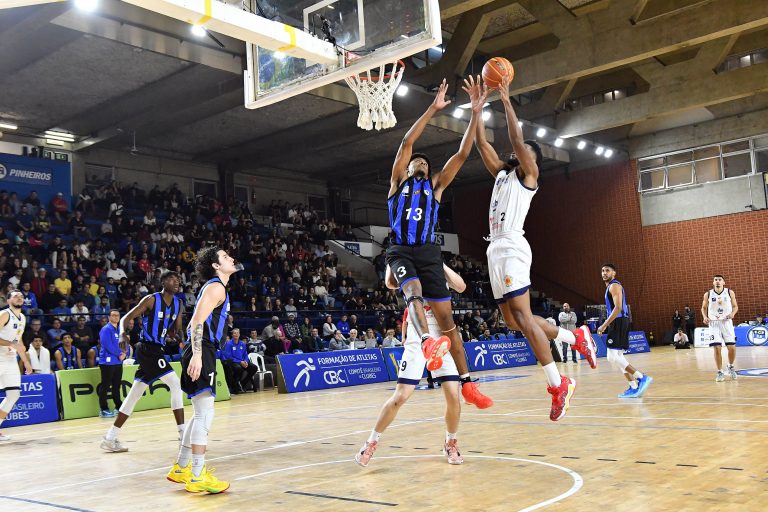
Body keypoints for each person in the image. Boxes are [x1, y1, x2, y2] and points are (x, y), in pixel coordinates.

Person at [474, 74, 597, 420]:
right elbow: (483, 147)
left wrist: (506, 99)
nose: (517, 151)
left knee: (526, 321)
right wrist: (477, 110)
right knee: (513, 323)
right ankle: (575, 339)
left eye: (525, 150)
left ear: (532, 160)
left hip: (512, 244)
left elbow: (515, 138)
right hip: (494, 249)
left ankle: (559, 384)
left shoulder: (529, 175)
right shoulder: (502, 173)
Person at [385, 76, 491, 409]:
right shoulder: (397, 184)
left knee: (450, 324)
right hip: (401, 249)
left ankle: (469, 383)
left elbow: (462, 153)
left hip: (429, 252)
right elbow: (406, 143)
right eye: (417, 161)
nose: (420, 162)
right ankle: (428, 342)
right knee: (413, 294)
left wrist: (475, 113)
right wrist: (433, 108)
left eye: (425, 163)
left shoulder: (436, 188)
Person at [355, 272, 469, 467]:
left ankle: (450, 442)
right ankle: (371, 442)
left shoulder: (435, 265)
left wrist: (438, 263)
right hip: (418, 336)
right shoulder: (407, 264)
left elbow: (461, 286)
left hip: (442, 333)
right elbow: (390, 283)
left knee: (453, 395)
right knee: (401, 396)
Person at [167, 246, 237, 494]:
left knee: (199, 414)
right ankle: (197, 475)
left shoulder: (217, 287)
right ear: (216, 266)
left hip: (203, 349)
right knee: (205, 414)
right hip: (201, 349)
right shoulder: (216, 286)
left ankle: (181, 468)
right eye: (225, 257)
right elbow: (196, 321)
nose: (231, 258)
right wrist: (197, 354)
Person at [101, 271, 185, 453]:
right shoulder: (151, 299)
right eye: (172, 279)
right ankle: (183, 435)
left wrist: (182, 340)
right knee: (175, 383)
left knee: (134, 395)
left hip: (158, 349)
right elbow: (126, 318)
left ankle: (110, 437)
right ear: (163, 282)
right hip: (147, 349)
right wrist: (123, 334)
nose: (176, 281)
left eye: (178, 279)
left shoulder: (179, 304)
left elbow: (178, 329)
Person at [597, 264, 653, 398]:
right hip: (619, 322)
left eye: (607, 271)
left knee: (612, 357)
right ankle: (633, 387)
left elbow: (618, 308)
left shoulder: (614, 286)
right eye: (603, 271)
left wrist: (604, 324)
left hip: (619, 321)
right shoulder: (610, 287)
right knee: (618, 357)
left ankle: (641, 377)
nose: (604, 273)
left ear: (614, 273)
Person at [0, 290, 32, 441]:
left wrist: (26, 362)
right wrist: (10, 344)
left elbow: (19, 342)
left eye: (21, 296)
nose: (19, 297)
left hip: (11, 360)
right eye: (15, 296)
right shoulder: (4, 314)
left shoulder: (23, 318)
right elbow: (13, 342)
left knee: (14, 395)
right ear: (8, 300)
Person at [701, 275, 739, 382]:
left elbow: (735, 306)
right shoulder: (708, 294)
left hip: (726, 322)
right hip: (714, 323)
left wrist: (733, 313)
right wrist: (705, 317)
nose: (717, 281)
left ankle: (730, 366)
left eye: (719, 280)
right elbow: (703, 308)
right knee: (717, 348)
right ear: (713, 283)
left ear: (724, 282)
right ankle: (720, 371)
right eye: (715, 280)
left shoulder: (729, 292)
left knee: (731, 347)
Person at [98, 310, 125, 418]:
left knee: (116, 385)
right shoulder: (105, 329)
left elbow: (124, 342)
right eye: (113, 315)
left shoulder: (120, 329)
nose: (115, 317)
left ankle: (118, 406)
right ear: (109, 317)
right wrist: (120, 354)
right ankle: (103, 409)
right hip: (107, 362)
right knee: (105, 386)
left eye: (117, 315)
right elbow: (107, 345)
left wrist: (125, 353)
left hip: (118, 361)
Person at [222, 328, 257, 393]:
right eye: (234, 333)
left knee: (254, 367)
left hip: (243, 361)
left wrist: (246, 361)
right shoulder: (229, 344)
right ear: (232, 335)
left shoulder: (242, 343)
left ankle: (243, 383)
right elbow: (229, 356)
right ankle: (235, 385)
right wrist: (240, 362)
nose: (236, 334)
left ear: (239, 334)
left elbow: (245, 354)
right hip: (233, 362)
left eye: (237, 333)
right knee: (238, 368)